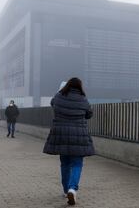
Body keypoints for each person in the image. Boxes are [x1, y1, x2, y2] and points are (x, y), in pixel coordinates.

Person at [43, 78, 95, 206]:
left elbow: (52, 104)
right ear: (79, 87)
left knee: (65, 163)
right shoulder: (83, 99)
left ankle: (66, 190)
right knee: (77, 164)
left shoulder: (59, 96)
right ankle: (73, 188)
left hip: (61, 135)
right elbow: (89, 114)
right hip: (78, 136)